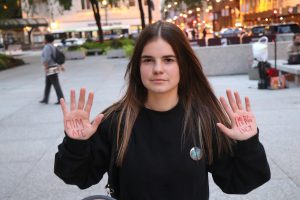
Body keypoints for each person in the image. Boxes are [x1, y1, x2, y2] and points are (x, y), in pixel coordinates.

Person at [54, 21, 270, 200]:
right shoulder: (116, 121)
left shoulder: (204, 121)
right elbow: (79, 177)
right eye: (148, 60)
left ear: (183, 66)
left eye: (168, 60)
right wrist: (76, 144)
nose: (158, 69)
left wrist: (248, 144)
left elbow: (239, 183)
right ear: (138, 68)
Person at [39, 34, 64, 104]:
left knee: (56, 84)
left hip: (50, 67)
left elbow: (47, 58)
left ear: (46, 40)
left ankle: (61, 99)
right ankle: (45, 98)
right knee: (48, 83)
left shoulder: (47, 47)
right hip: (53, 66)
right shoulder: (53, 46)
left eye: (44, 39)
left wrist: (46, 67)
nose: (43, 40)